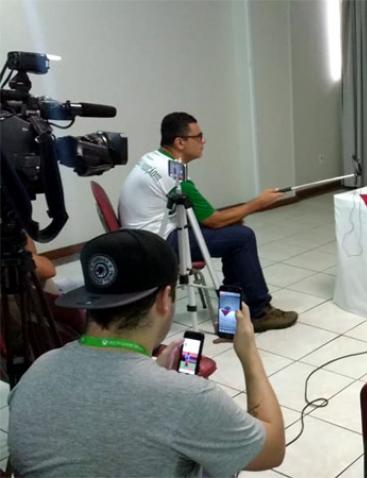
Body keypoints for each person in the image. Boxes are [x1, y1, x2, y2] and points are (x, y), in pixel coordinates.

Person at [9, 229, 285, 476]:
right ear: (165, 299)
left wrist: (154, 375)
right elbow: (272, 450)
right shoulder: (188, 397)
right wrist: (249, 355)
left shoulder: (37, 370)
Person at [119, 112, 296, 331]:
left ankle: (232, 318)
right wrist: (258, 203)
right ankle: (257, 311)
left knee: (234, 237)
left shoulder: (154, 159)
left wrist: (231, 220)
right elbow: (213, 220)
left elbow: (201, 215)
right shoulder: (173, 173)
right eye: (199, 136)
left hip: (145, 238)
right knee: (242, 237)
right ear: (180, 142)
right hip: (157, 245)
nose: (204, 141)